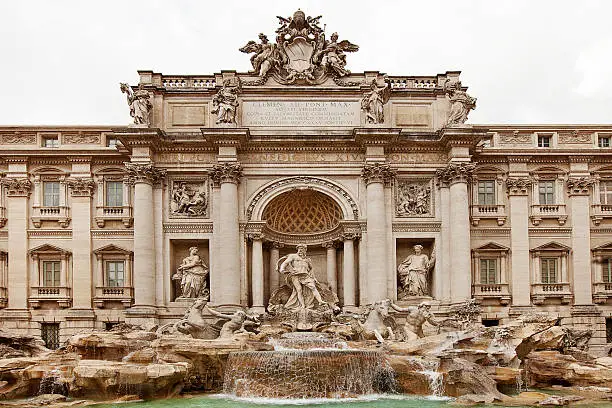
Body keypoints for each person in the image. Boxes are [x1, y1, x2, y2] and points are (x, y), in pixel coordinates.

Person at [279, 244, 328, 310]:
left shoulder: (307, 259)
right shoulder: (293, 256)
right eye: (299, 249)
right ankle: (302, 306)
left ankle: (320, 301)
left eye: (302, 249)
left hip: (305, 275)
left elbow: (311, 270)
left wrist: (314, 278)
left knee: (313, 287)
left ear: (305, 250)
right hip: (295, 275)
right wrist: (282, 269)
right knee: (299, 290)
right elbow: (285, 263)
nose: (300, 250)